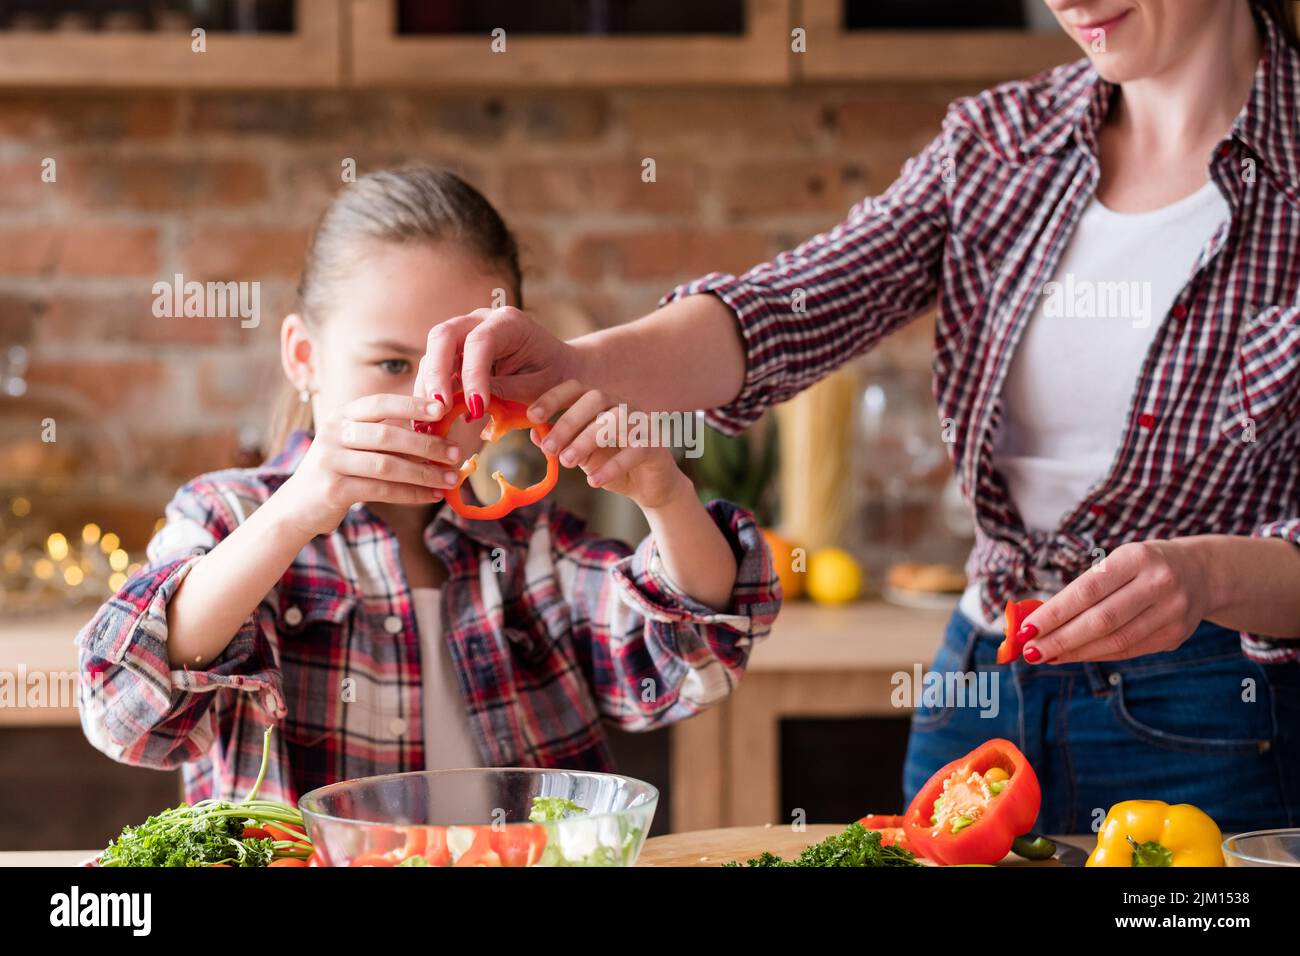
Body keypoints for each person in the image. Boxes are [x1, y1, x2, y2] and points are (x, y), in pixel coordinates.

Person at [413, 1, 1300, 833]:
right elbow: (792, 306)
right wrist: (578, 363)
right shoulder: (999, 143)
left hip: (1222, 706)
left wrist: (1212, 577)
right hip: (983, 686)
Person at [74, 167, 780, 805]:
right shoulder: (230, 516)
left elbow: (698, 663)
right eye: (390, 364)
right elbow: (120, 708)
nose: (431, 402)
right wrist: (295, 512)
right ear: (304, 358)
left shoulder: (531, 543)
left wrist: (667, 498)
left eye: (467, 365)